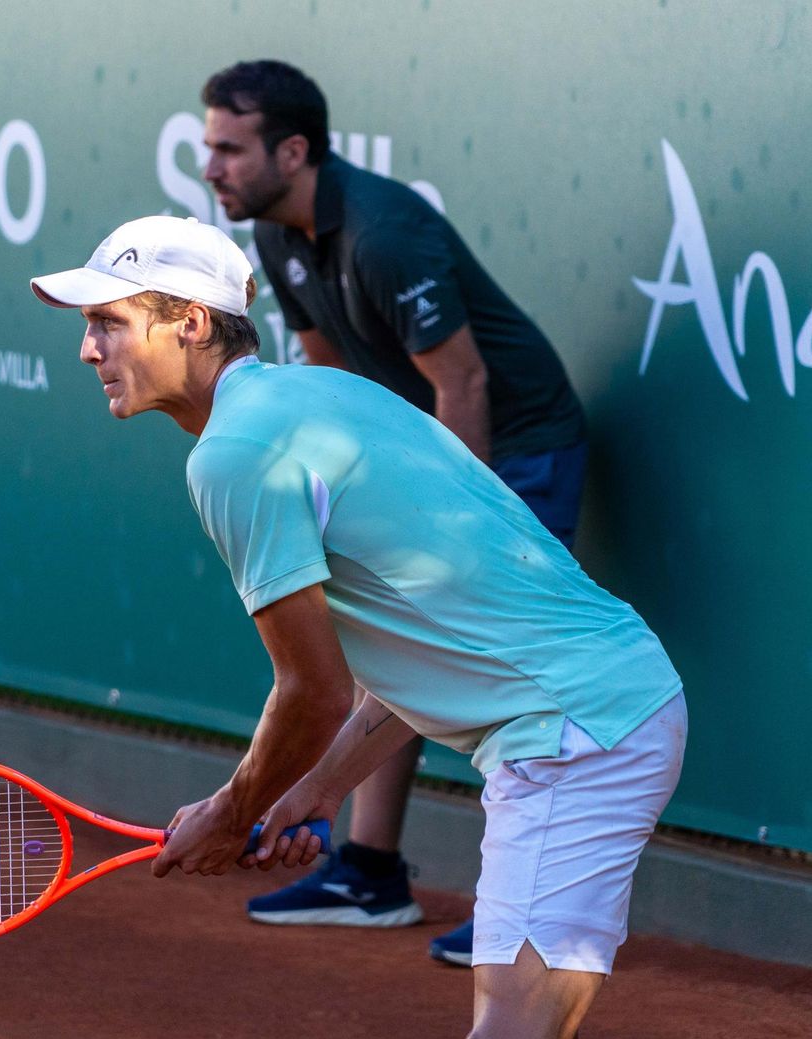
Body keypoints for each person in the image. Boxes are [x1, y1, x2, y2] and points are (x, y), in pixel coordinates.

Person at [30, 214, 686, 1039]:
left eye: (108, 323)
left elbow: (313, 691)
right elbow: (437, 630)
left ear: (189, 323)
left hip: (576, 735)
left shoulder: (233, 456)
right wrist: (313, 789)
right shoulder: (331, 394)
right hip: (609, 699)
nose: (89, 350)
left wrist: (235, 812)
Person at [199, 59, 589, 964]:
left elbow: (465, 383)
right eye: (207, 145)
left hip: (513, 446)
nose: (211, 165)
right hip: (418, 457)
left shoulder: (383, 233)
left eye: (229, 147)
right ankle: (370, 873)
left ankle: (528, 914)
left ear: (293, 151)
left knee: (492, 659)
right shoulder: (278, 240)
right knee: (392, 648)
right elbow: (333, 379)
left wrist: (462, 538)